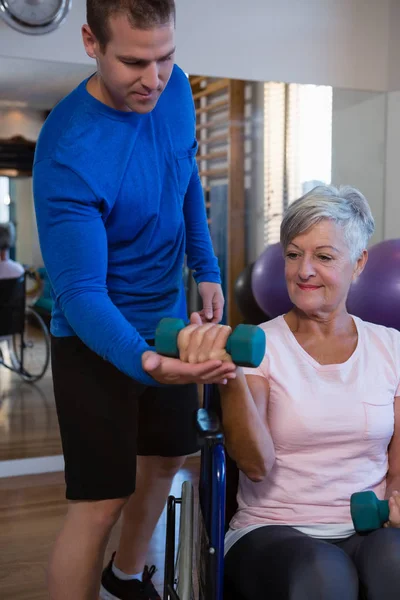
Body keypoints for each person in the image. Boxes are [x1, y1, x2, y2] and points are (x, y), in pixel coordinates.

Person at [32, 1, 237, 599]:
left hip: (168, 321)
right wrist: (147, 363)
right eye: (134, 62)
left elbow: (185, 172)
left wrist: (207, 267)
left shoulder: (173, 92)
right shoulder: (68, 146)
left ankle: (124, 575)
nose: (154, 78)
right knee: (99, 502)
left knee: (166, 460)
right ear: (90, 42)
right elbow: (80, 293)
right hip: (95, 339)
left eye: (166, 57)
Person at [178, 185, 400, 599]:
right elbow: (256, 465)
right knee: (325, 575)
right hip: (273, 530)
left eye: (324, 256)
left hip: (367, 526)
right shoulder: (259, 347)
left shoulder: (392, 348)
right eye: (294, 254)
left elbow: (398, 464)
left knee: (395, 565)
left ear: (358, 263)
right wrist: (231, 377)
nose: (303, 271)